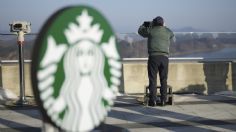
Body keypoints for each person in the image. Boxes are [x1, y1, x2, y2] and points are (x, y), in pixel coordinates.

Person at [138, 16, 175, 106]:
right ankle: (163, 101)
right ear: (163, 23)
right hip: (164, 58)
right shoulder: (167, 31)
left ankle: (153, 101)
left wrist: (145, 24)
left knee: (152, 79)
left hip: (153, 57)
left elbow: (140, 31)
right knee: (164, 80)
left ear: (154, 23)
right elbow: (172, 34)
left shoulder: (151, 30)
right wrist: (164, 27)